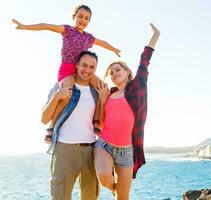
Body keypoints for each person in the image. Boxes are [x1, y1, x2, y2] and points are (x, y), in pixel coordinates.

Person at [12, 4, 121, 142]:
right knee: (67, 94)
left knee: (102, 87)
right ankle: (51, 127)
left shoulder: (88, 38)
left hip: (83, 70)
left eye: (86, 18)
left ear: (89, 21)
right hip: (68, 69)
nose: (83, 20)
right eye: (80, 16)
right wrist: (26, 26)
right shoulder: (67, 30)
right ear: (74, 17)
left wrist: (113, 49)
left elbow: (102, 42)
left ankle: (96, 121)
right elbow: (47, 26)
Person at [94, 23, 160, 200]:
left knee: (123, 198)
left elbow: (144, 60)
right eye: (111, 72)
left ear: (127, 71)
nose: (115, 73)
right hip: (104, 145)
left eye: (118, 69)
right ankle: (114, 187)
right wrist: (101, 99)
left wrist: (155, 35)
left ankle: (119, 191)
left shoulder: (137, 87)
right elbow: (100, 122)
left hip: (127, 151)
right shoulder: (108, 94)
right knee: (104, 177)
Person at [41, 50, 102, 200]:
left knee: (90, 196)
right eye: (84, 65)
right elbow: (44, 118)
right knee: (60, 195)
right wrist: (56, 97)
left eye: (92, 67)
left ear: (95, 69)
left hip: (90, 150)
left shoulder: (97, 91)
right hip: (64, 149)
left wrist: (104, 99)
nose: (87, 70)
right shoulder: (62, 85)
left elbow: (101, 122)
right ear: (76, 65)